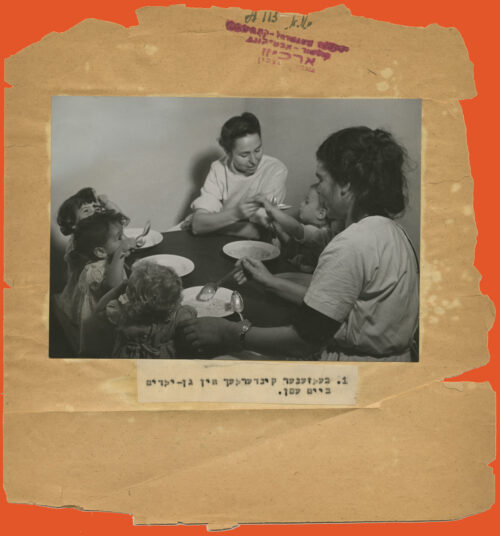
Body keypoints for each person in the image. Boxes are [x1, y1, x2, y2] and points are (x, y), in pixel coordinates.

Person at [180, 127, 419, 362]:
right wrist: (269, 281)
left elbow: (301, 341)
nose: (319, 189)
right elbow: (314, 241)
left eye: (321, 179)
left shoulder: (352, 244)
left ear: (345, 186)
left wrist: (228, 332)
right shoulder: (390, 231)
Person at [186, 112, 288, 238]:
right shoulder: (218, 168)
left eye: (258, 150)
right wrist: (235, 214)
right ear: (228, 153)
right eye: (244, 155)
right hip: (218, 242)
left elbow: (260, 232)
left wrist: (213, 224)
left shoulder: (275, 170)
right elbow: (198, 225)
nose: (254, 160)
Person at [85, 261, 197, 358]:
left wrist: (118, 289)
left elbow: (98, 311)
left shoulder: (121, 313)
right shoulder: (176, 316)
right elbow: (189, 314)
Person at [56, 187, 128, 318]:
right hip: (93, 287)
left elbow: (118, 221)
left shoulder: (95, 235)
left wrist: (107, 204)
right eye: (86, 211)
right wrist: (118, 252)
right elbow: (105, 281)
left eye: (94, 207)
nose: (93, 212)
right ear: (73, 225)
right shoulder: (79, 244)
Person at [68, 210, 134, 348]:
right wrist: (120, 253)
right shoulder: (94, 271)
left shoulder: (107, 258)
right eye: (119, 238)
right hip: (102, 320)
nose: (125, 240)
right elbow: (113, 286)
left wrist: (120, 251)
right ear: (101, 251)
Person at [255, 184, 344, 274]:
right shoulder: (312, 230)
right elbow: (294, 246)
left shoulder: (320, 233)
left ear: (321, 213)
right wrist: (280, 232)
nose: (301, 204)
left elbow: (296, 228)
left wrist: (272, 210)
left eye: (306, 202)